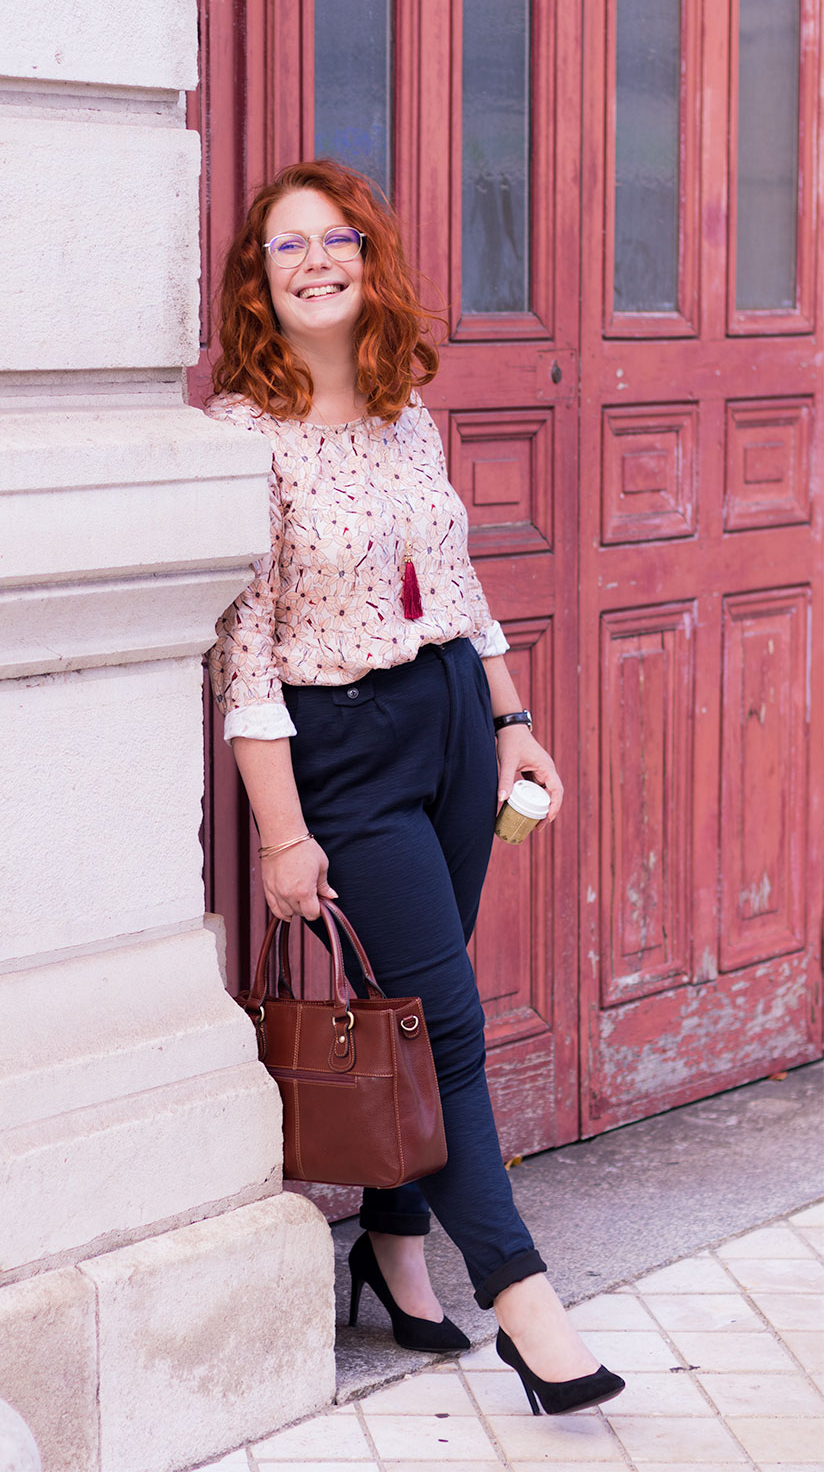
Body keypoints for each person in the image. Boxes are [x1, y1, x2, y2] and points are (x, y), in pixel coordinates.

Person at [205, 159, 624, 1416]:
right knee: (445, 1021)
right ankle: (522, 1301)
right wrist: (283, 835)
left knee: (412, 1009)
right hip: (339, 750)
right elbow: (248, 654)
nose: (317, 261)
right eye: (289, 248)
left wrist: (510, 719)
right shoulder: (240, 435)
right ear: (257, 282)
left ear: (370, 263)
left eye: (338, 240)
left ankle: (392, 1249)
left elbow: (459, 580)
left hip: (448, 718)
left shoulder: (405, 408)